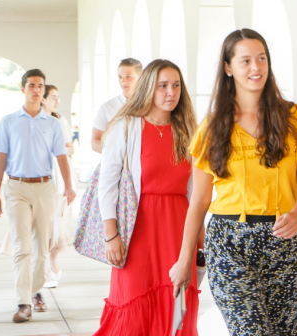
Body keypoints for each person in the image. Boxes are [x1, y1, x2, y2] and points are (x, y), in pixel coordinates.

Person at [170, 29, 297, 336]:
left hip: (284, 240)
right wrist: (184, 259)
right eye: (245, 61)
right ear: (228, 68)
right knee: (252, 331)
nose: (256, 68)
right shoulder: (211, 129)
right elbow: (199, 199)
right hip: (229, 242)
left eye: (261, 58)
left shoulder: (296, 119)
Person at [95, 59, 199, 335]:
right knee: (132, 308)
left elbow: (196, 192)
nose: (171, 92)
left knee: (177, 305)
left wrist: (198, 235)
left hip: (178, 229)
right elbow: (107, 184)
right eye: (163, 86)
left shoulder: (188, 130)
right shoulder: (126, 126)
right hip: (136, 232)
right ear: (148, 89)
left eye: (176, 86)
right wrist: (111, 235)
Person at [0, 69, 76, 323]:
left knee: (42, 247)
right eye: (31, 85)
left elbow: (61, 156)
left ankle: (35, 288)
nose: (37, 89)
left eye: (40, 86)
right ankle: (23, 303)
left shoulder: (52, 124)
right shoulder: (8, 121)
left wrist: (69, 186)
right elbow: (1, 159)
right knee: (22, 246)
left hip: (44, 188)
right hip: (16, 188)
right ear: (23, 89)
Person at [41, 84, 77, 288]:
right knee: (45, 222)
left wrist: (55, 150)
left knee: (61, 224)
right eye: (53, 97)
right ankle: (44, 269)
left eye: (57, 97)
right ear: (43, 99)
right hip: (42, 175)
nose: (56, 101)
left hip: (60, 172)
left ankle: (54, 256)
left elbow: (70, 148)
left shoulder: (60, 121)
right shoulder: (34, 121)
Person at [91, 58, 142, 154]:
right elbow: (95, 141)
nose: (123, 81)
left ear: (141, 77)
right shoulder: (107, 107)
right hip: (115, 166)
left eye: (128, 76)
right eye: (120, 77)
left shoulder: (150, 105)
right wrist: (115, 155)